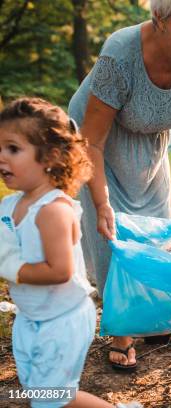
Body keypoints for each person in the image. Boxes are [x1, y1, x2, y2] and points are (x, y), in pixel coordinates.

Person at [67, 0, 171, 371]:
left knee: (159, 233)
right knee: (112, 237)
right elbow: (90, 140)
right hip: (98, 145)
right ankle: (122, 330)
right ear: (159, 17)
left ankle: (161, 318)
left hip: (150, 144)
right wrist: (102, 202)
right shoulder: (120, 54)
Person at [0, 98, 141, 408]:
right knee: (37, 392)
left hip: (61, 320)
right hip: (31, 318)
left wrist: (11, 268)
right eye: (0, 149)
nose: (1, 158)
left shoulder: (53, 210)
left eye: (13, 149)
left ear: (49, 156)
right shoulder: (10, 206)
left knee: (56, 398)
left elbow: (60, 270)